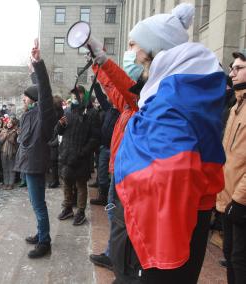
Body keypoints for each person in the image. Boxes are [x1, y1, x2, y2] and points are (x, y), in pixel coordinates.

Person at [96, 3, 226, 283]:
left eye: (133, 46)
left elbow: (171, 174)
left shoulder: (172, 100)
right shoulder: (181, 91)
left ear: (154, 48)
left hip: (162, 235)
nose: (130, 53)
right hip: (174, 223)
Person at [13, 40, 56, 258]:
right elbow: (38, 90)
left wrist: (39, 65)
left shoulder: (43, 114)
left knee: (39, 205)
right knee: (34, 202)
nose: (23, 99)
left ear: (33, 100)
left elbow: (44, 92)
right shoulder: (29, 114)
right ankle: (41, 234)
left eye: (25, 96)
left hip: (36, 165)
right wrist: (33, 72)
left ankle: (45, 241)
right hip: (28, 165)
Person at [216, 50, 246, 284]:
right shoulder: (236, 106)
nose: (232, 73)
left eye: (238, 68)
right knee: (230, 254)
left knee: (239, 258)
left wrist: (239, 199)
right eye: (232, 68)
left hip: (240, 200)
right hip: (228, 197)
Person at [56, 85, 100, 226]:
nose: (75, 96)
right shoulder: (67, 111)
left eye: (78, 94)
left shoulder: (91, 113)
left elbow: (95, 138)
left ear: (84, 95)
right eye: (74, 94)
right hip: (66, 154)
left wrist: (82, 152)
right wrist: (60, 125)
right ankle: (68, 207)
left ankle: (81, 211)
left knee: (81, 185)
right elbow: (60, 132)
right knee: (67, 183)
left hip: (81, 157)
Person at [0, 118, 18, 190]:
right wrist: (5, 135)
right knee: (5, 168)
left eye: (11, 123)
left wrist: (9, 134)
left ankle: (11, 183)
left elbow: (13, 141)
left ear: (13, 124)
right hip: (3, 151)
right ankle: (6, 183)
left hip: (11, 151)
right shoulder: (3, 131)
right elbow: (0, 141)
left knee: (11, 168)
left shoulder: (14, 131)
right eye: (8, 123)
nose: (9, 124)